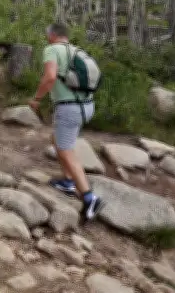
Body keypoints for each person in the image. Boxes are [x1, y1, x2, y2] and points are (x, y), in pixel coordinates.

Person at [29, 23, 104, 221]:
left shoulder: (51, 50)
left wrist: (36, 99)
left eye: (47, 35)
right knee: (58, 139)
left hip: (70, 108)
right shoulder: (76, 50)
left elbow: (50, 77)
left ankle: (89, 197)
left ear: (52, 35)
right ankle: (68, 181)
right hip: (87, 105)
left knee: (65, 150)